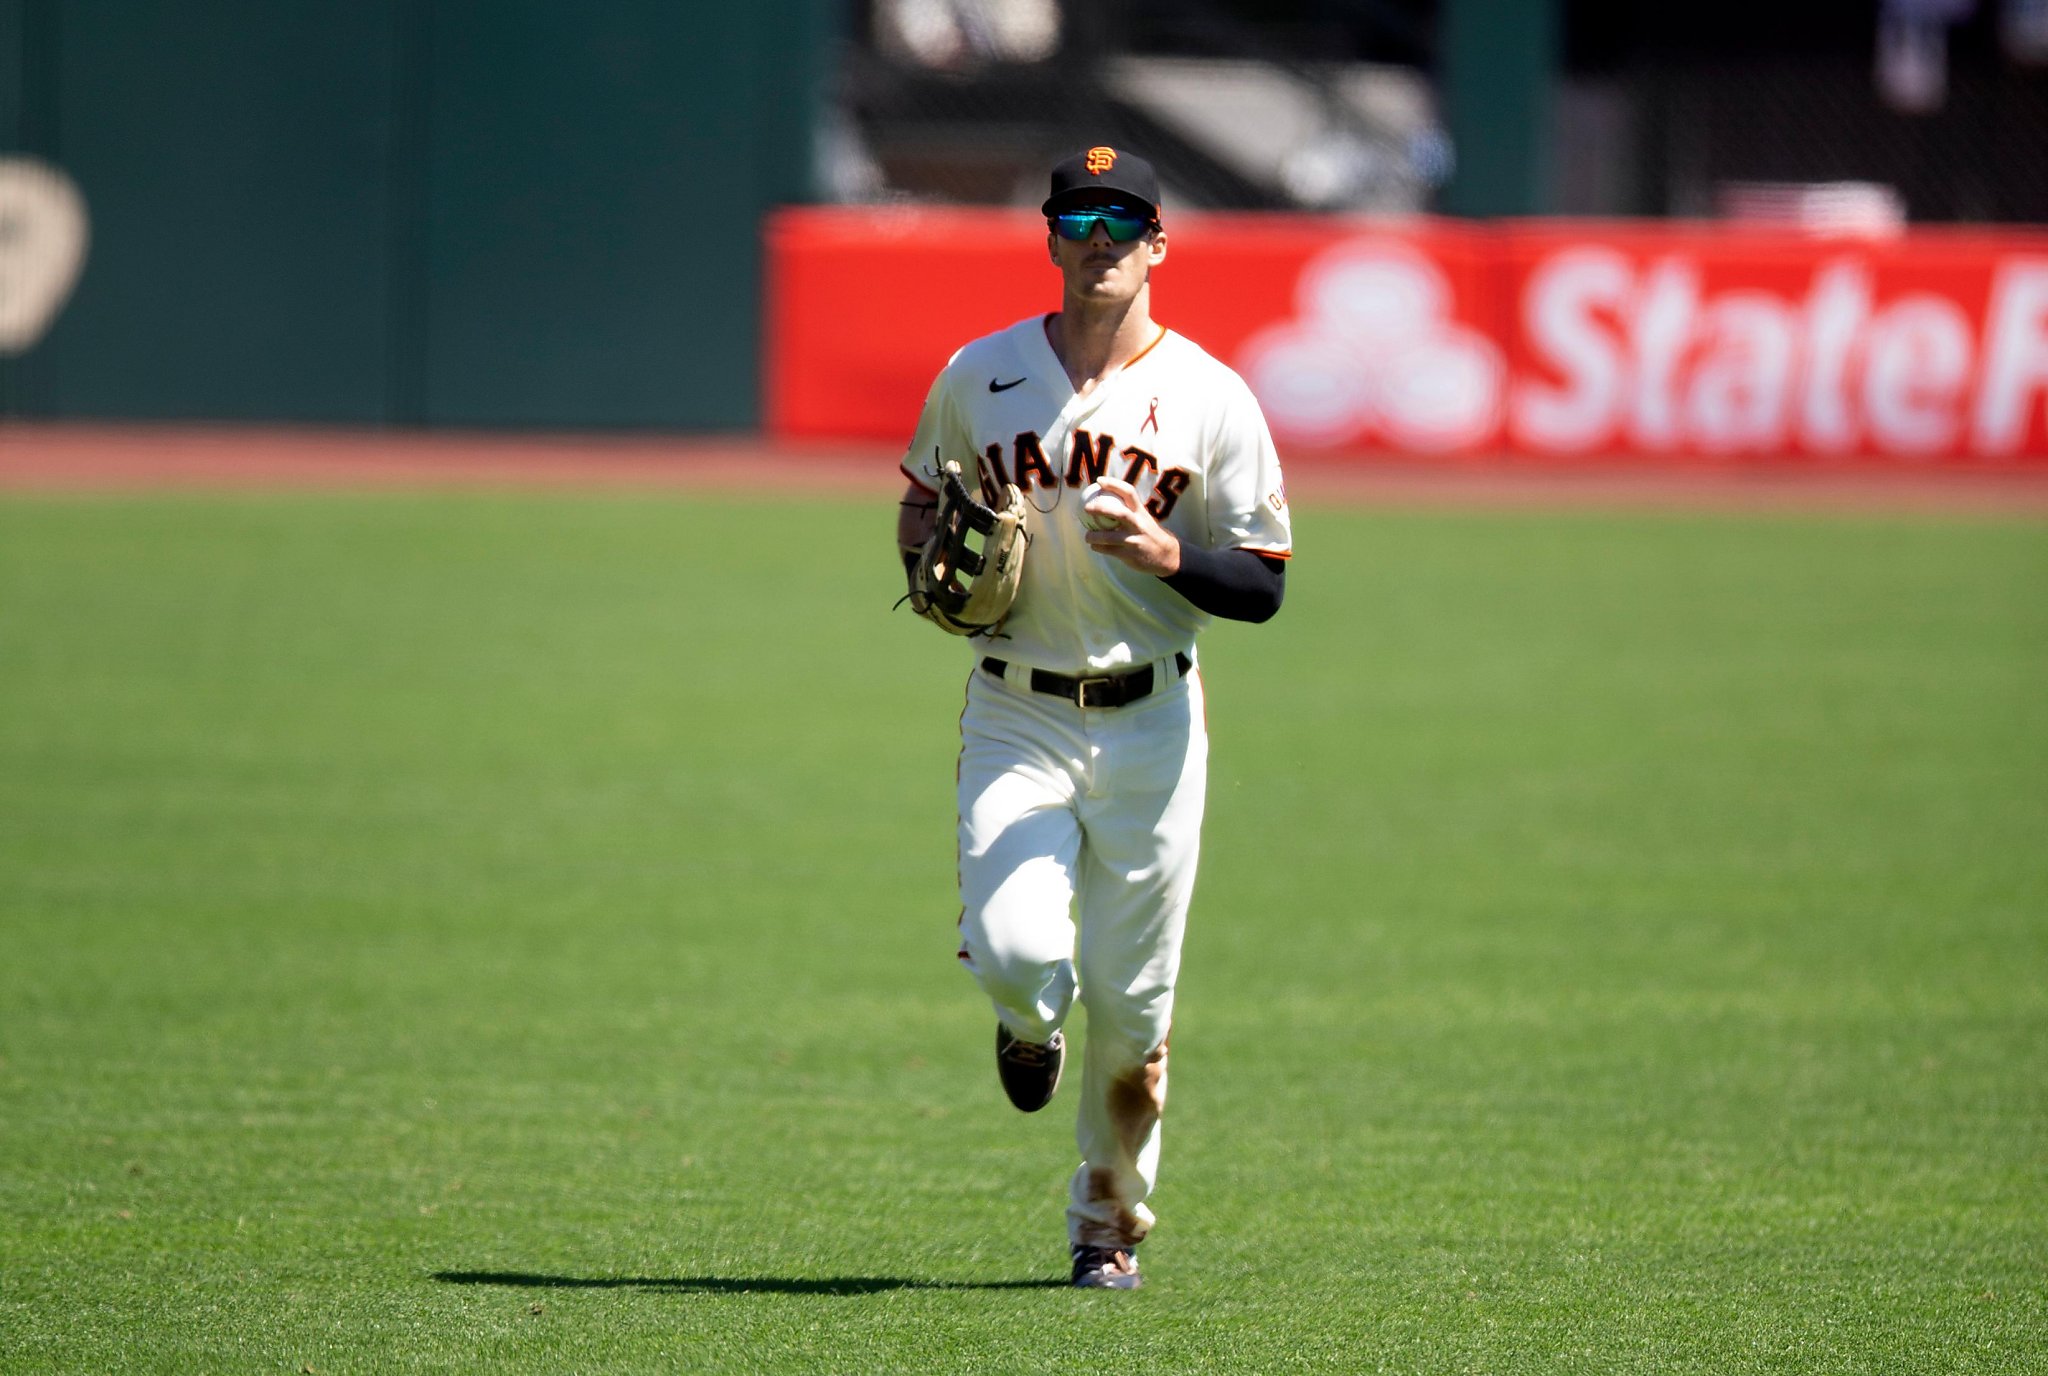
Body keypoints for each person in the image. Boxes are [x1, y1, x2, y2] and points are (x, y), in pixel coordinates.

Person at [894, 146, 1293, 1290]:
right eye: (1079, 216)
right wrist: (932, 570)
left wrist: (1170, 553)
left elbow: (1263, 581)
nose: (1100, 236)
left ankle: (1104, 1226)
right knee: (1023, 955)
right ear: (1052, 237)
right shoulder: (982, 373)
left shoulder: (1212, 396)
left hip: (1154, 723)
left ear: (1159, 242)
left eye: (1124, 218)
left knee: (1136, 1004)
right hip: (1014, 709)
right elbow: (924, 497)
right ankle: (1024, 1019)